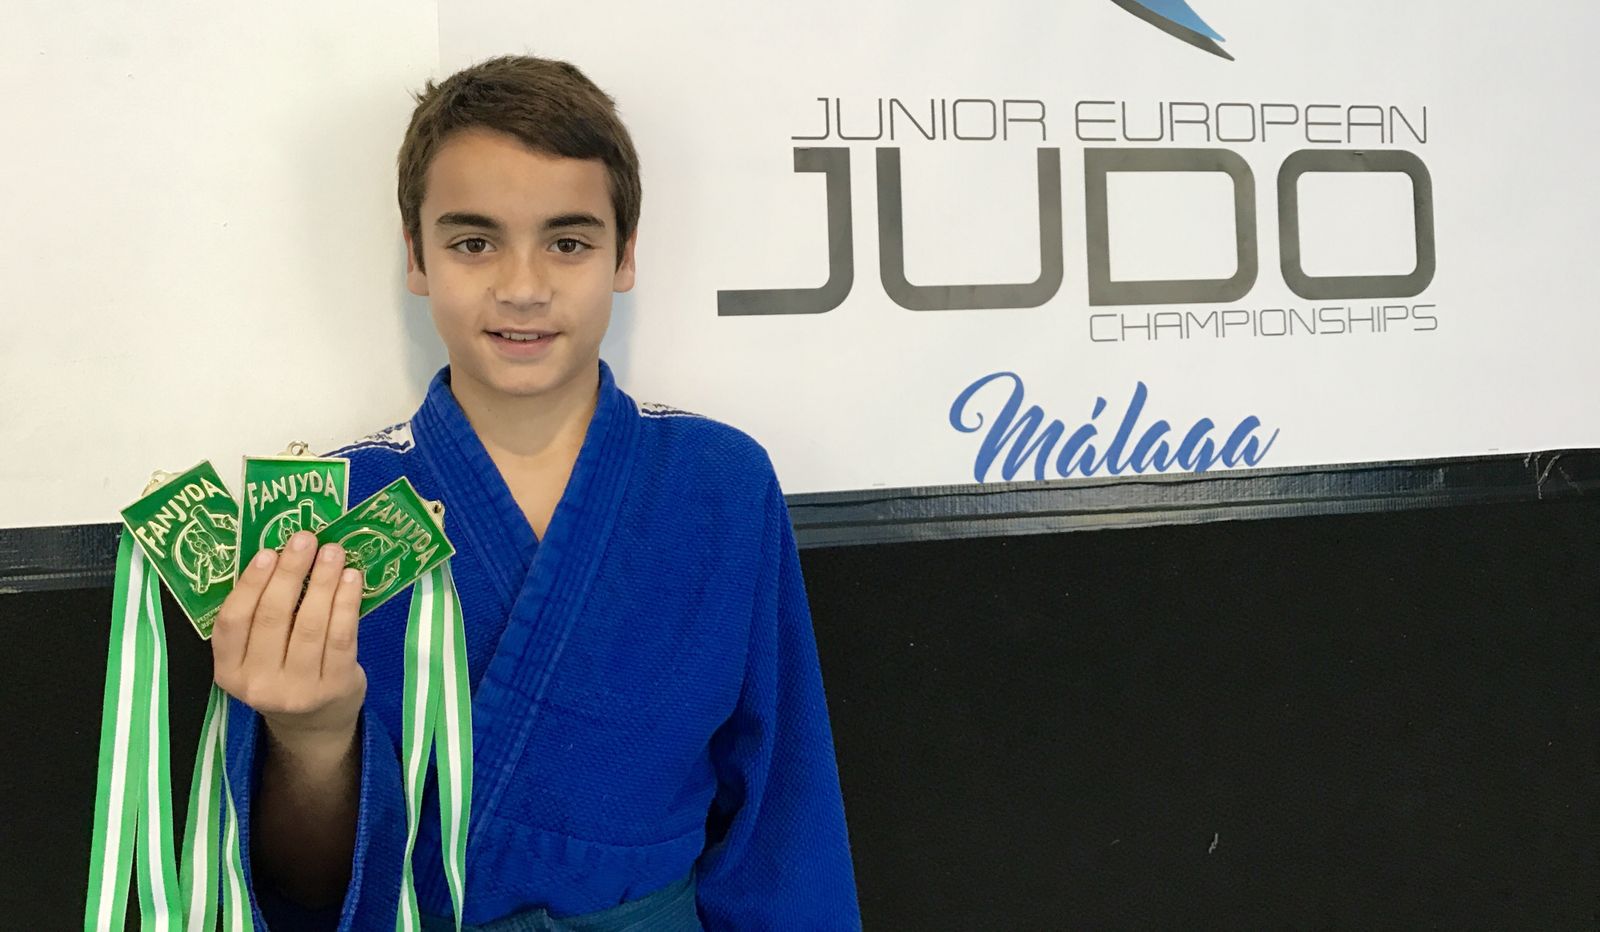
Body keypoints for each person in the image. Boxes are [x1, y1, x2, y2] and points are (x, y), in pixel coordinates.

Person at [209, 55, 861, 931]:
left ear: (625, 254)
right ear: (417, 256)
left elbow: (784, 818)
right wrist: (314, 739)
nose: (522, 286)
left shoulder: (720, 486)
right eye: (473, 242)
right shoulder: (329, 512)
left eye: (568, 240)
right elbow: (298, 884)